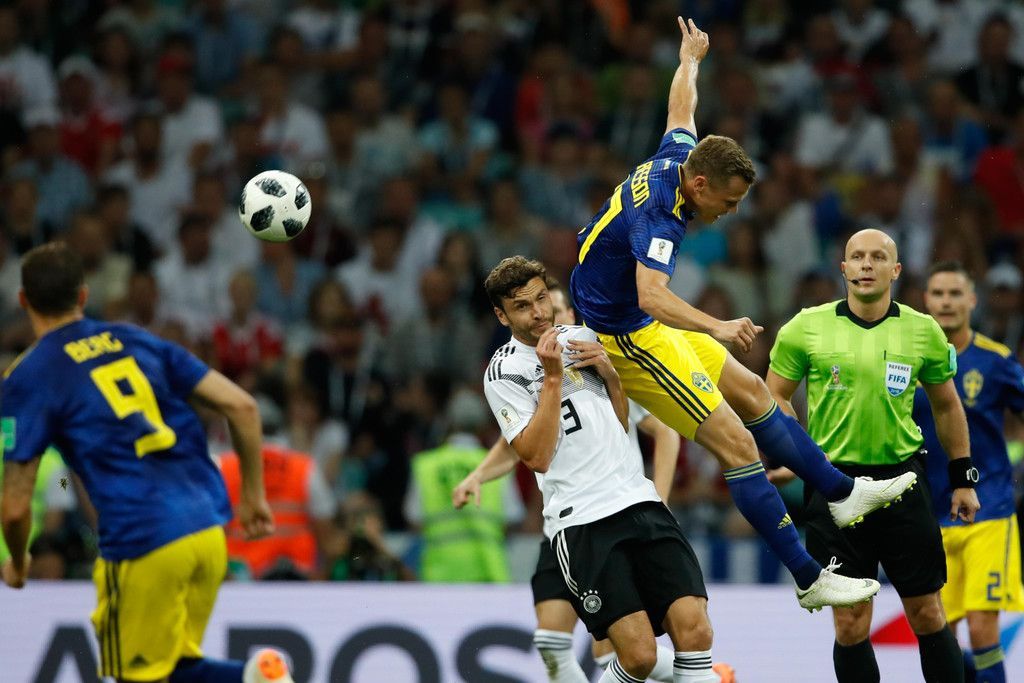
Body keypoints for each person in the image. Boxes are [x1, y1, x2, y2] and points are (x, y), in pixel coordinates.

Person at [569, 16, 904, 610]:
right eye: (728, 200)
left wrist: (689, 62)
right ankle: (809, 578)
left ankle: (841, 493)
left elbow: (680, 111)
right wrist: (718, 325)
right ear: (700, 184)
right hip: (624, 337)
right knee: (737, 446)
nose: (731, 211)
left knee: (753, 391)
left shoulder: (677, 157)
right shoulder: (662, 218)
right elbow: (651, 296)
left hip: (635, 320)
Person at [0, 243, 292, 683]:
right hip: (207, 530)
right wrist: (253, 497)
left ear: (24, 301)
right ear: (83, 295)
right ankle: (253, 677)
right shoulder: (135, 339)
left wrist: (19, 563)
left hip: (143, 540)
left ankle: (257, 678)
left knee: (138, 676)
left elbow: (14, 506)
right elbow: (243, 407)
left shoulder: (29, 376)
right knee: (173, 670)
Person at [456, 277, 729, 682]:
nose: (539, 312)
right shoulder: (504, 371)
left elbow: (622, 422)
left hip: (638, 500)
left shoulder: (585, 338)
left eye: (542, 300)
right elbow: (535, 457)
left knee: (696, 631)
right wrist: (552, 379)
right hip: (582, 520)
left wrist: (611, 375)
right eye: (523, 306)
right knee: (636, 656)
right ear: (502, 315)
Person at [766, 230, 981, 683]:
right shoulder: (805, 327)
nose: (867, 264)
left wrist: (963, 478)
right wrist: (798, 453)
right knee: (850, 622)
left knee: (927, 612)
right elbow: (773, 398)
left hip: (903, 483)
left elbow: (947, 406)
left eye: (878, 257)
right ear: (843, 268)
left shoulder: (922, 330)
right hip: (833, 486)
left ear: (895, 270)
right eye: (857, 257)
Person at [913, 261, 1024, 683]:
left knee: (982, 627)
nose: (947, 302)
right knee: (940, 633)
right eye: (939, 294)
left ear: (972, 301)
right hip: (930, 515)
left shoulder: (995, 360)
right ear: (927, 301)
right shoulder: (908, 363)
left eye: (955, 293)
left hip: (988, 509)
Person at [406, 389, 523, 583]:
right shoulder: (498, 464)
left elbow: (414, 518)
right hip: (488, 573)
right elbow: (512, 518)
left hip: (439, 575)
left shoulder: (425, 465)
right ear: (482, 426)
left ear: (449, 422)